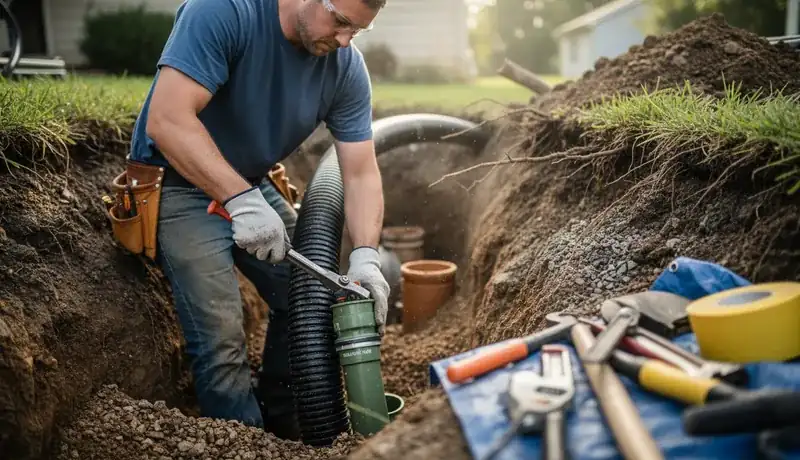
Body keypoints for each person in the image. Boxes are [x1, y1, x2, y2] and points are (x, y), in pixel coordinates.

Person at [127, 0, 390, 440]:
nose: (345, 40)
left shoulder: (345, 67)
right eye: (341, 22)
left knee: (309, 298)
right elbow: (168, 120)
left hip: (249, 181)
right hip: (177, 181)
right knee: (222, 340)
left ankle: (282, 424)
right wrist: (240, 201)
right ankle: (243, 441)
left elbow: (360, 172)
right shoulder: (224, 12)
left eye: (357, 31)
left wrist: (365, 257)